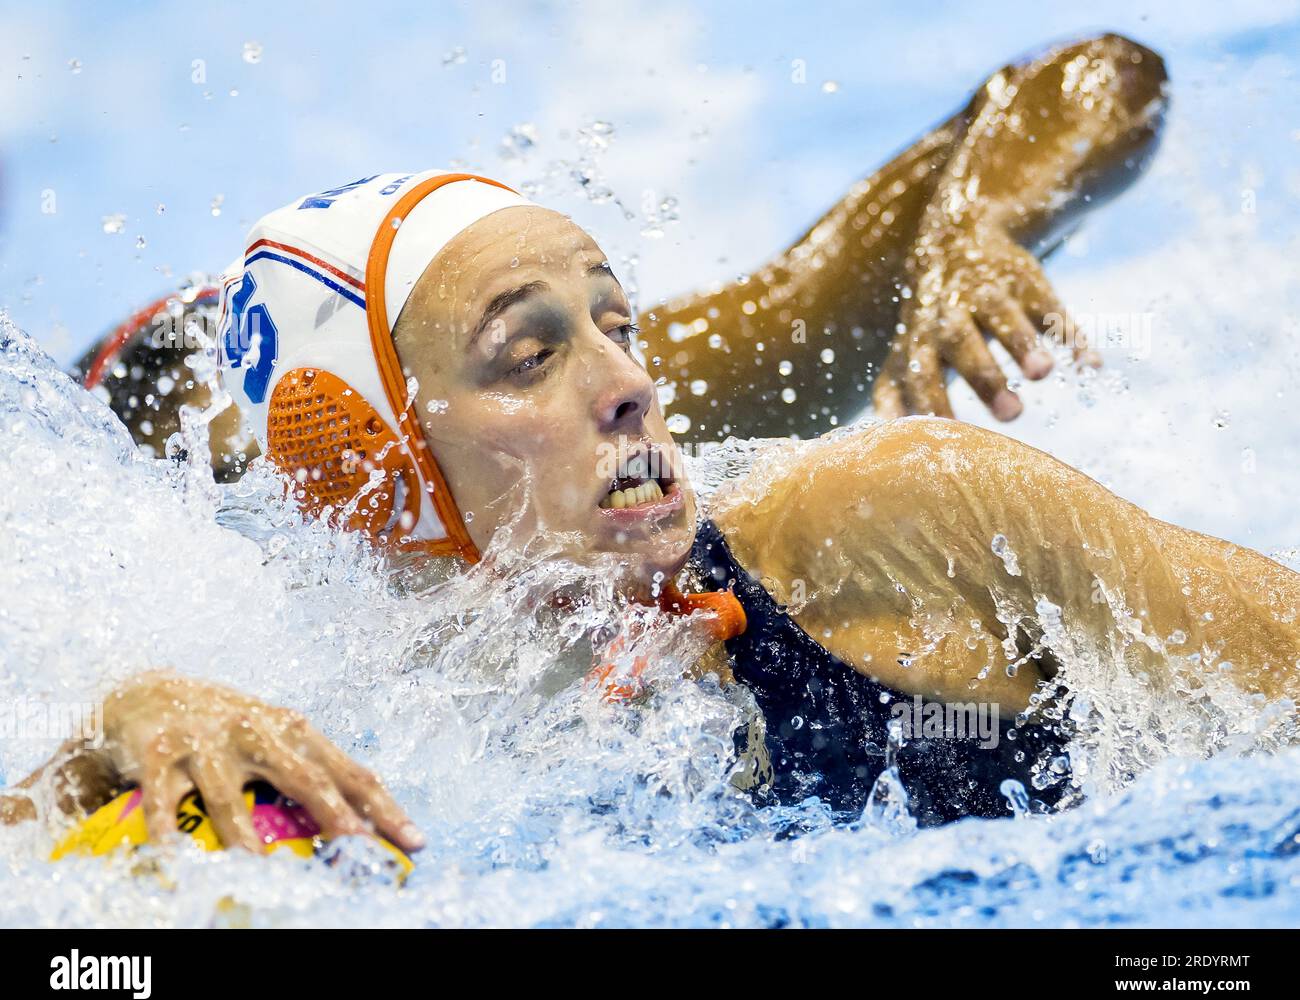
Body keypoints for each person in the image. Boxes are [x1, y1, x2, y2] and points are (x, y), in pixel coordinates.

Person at [17, 34, 1292, 848]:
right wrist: (107, 735)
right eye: (531, 353)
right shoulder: (307, 666)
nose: (632, 379)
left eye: (618, 319)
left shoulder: (871, 511)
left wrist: (979, 226)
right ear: (361, 466)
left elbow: (1097, 68)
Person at [75, 33, 1168, 477]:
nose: (339, 485)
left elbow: (1098, 73)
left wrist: (979, 225)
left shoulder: (608, 399)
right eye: (250, 479)